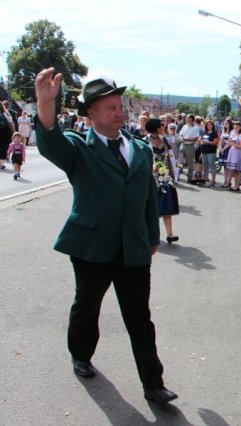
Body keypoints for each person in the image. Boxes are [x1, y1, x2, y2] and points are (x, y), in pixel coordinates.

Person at [34, 69, 177, 403]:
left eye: (119, 106)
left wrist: (152, 237)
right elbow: (51, 141)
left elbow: (147, 197)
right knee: (87, 307)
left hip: (133, 248)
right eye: (110, 108)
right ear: (91, 113)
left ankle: (153, 384)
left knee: (140, 317)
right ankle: (81, 355)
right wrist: (45, 103)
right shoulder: (78, 148)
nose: (118, 113)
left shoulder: (139, 149)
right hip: (92, 246)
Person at [145, 118, 180, 244]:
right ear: (154, 127)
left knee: (167, 206)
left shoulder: (164, 140)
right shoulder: (144, 142)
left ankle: (170, 234)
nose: (162, 128)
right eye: (160, 126)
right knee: (151, 208)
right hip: (151, 180)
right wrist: (151, 168)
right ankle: (150, 234)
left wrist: (173, 175)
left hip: (165, 178)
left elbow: (169, 158)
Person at [178, 114, 199, 183]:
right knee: (180, 161)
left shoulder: (195, 128)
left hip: (190, 146)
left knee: (190, 163)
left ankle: (189, 177)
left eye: (187, 118)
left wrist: (186, 139)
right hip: (183, 145)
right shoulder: (184, 126)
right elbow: (180, 134)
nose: (186, 119)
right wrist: (182, 138)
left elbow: (195, 138)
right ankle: (177, 175)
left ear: (191, 119)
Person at [200, 119, 219, 187]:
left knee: (212, 166)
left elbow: (216, 142)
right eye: (208, 124)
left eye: (210, 124)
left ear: (213, 125)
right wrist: (201, 142)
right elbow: (201, 140)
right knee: (205, 166)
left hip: (211, 152)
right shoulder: (204, 132)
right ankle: (206, 178)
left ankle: (213, 181)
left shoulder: (214, 133)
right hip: (204, 151)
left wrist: (207, 142)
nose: (209, 126)